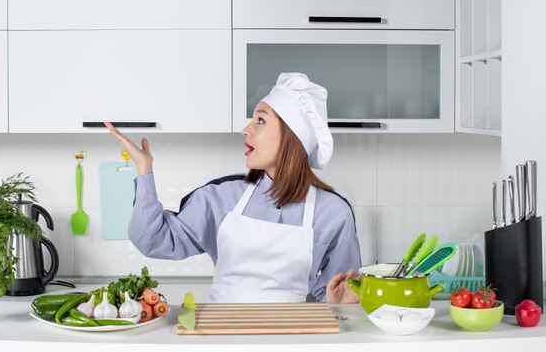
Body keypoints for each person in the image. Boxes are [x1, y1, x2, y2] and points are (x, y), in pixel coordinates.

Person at [105, 72, 361, 303]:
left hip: (289, 337)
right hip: (221, 334)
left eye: (260, 121)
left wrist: (341, 302)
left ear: (292, 136)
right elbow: (152, 241)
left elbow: (333, 294)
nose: (246, 130)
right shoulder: (220, 196)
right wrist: (144, 169)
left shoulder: (334, 212)